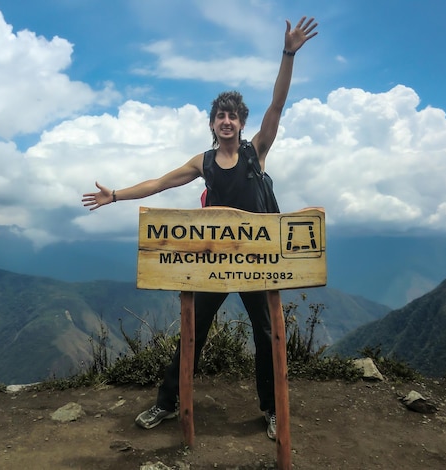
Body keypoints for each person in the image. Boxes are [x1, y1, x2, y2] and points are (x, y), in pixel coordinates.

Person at [82, 15, 318, 440]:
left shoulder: (255, 153)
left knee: (267, 337)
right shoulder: (203, 163)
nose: (227, 121)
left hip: (256, 263)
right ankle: (167, 404)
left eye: (233, 116)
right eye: (220, 116)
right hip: (212, 263)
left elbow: (277, 106)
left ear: (242, 123)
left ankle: (271, 410)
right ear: (212, 123)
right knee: (193, 333)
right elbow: (159, 182)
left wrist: (288, 54)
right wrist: (115, 195)